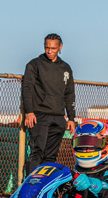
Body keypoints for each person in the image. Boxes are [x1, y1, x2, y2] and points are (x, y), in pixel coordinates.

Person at [22, 33, 76, 173]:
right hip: (39, 115)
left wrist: (71, 118)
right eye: (47, 48)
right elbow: (27, 89)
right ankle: (30, 188)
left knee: (51, 157)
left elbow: (69, 93)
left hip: (58, 117)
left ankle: (45, 189)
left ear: (60, 47)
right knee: (37, 152)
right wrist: (29, 112)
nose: (50, 51)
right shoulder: (34, 64)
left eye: (53, 48)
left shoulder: (66, 68)